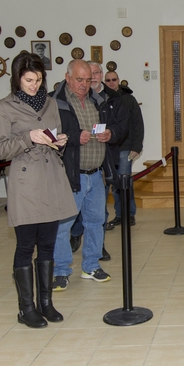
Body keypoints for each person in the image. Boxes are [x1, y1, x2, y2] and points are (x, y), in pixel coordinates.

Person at [0, 52, 78, 328]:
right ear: (17, 79)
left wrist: (60, 141)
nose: (34, 84)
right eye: (29, 80)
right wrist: (28, 136)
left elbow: (55, 136)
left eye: (39, 79)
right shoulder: (3, 107)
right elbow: (0, 149)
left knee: (49, 245)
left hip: (52, 176)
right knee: (26, 246)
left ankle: (46, 302)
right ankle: (26, 308)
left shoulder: (52, 103)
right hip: (26, 181)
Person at [50, 59, 127, 291]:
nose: (84, 84)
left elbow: (120, 128)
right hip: (70, 175)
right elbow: (49, 136)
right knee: (64, 225)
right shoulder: (55, 104)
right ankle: (61, 270)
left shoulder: (100, 101)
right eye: (79, 80)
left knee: (96, 222)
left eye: (88, 80)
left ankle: (91, 265)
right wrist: (74, 137)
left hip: (96, 174)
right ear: (67, 77)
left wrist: (111, 133)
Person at [104, 70, 144, 229]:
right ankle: (119, 215)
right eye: (108, 80)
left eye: (114, 79)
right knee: (112, 185)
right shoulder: (101, 99)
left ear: (118, 80)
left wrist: (137, 146)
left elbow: (138, 124)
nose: (111, 82)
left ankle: (130, 214)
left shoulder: (129, 100)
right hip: (107, 149)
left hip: (125, 148)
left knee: (124, 184)